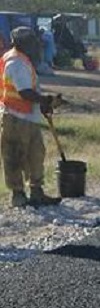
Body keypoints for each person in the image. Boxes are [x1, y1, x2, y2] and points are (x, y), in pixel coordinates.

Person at [0, 26, 61, 208]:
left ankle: (37, 192)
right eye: (32, 42)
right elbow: (25, 92)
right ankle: (18, 195)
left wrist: (42, 104)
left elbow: (30, 89)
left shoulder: (23, 60)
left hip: (28, 117)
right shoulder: (16, 63)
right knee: (14, 156)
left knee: (36, 155)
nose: (36, 45)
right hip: (15, 118)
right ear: (21, 43)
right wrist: (46, 100)